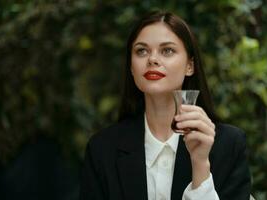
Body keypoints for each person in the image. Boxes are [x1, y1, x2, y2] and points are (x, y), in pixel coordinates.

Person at [79, 11, 251, 200]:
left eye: (167, 50)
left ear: (190, 66)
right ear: (131, 67)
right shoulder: (102, 149)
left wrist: (200, 164)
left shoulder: (228, 145)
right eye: (141, 51)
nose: (152, 59)